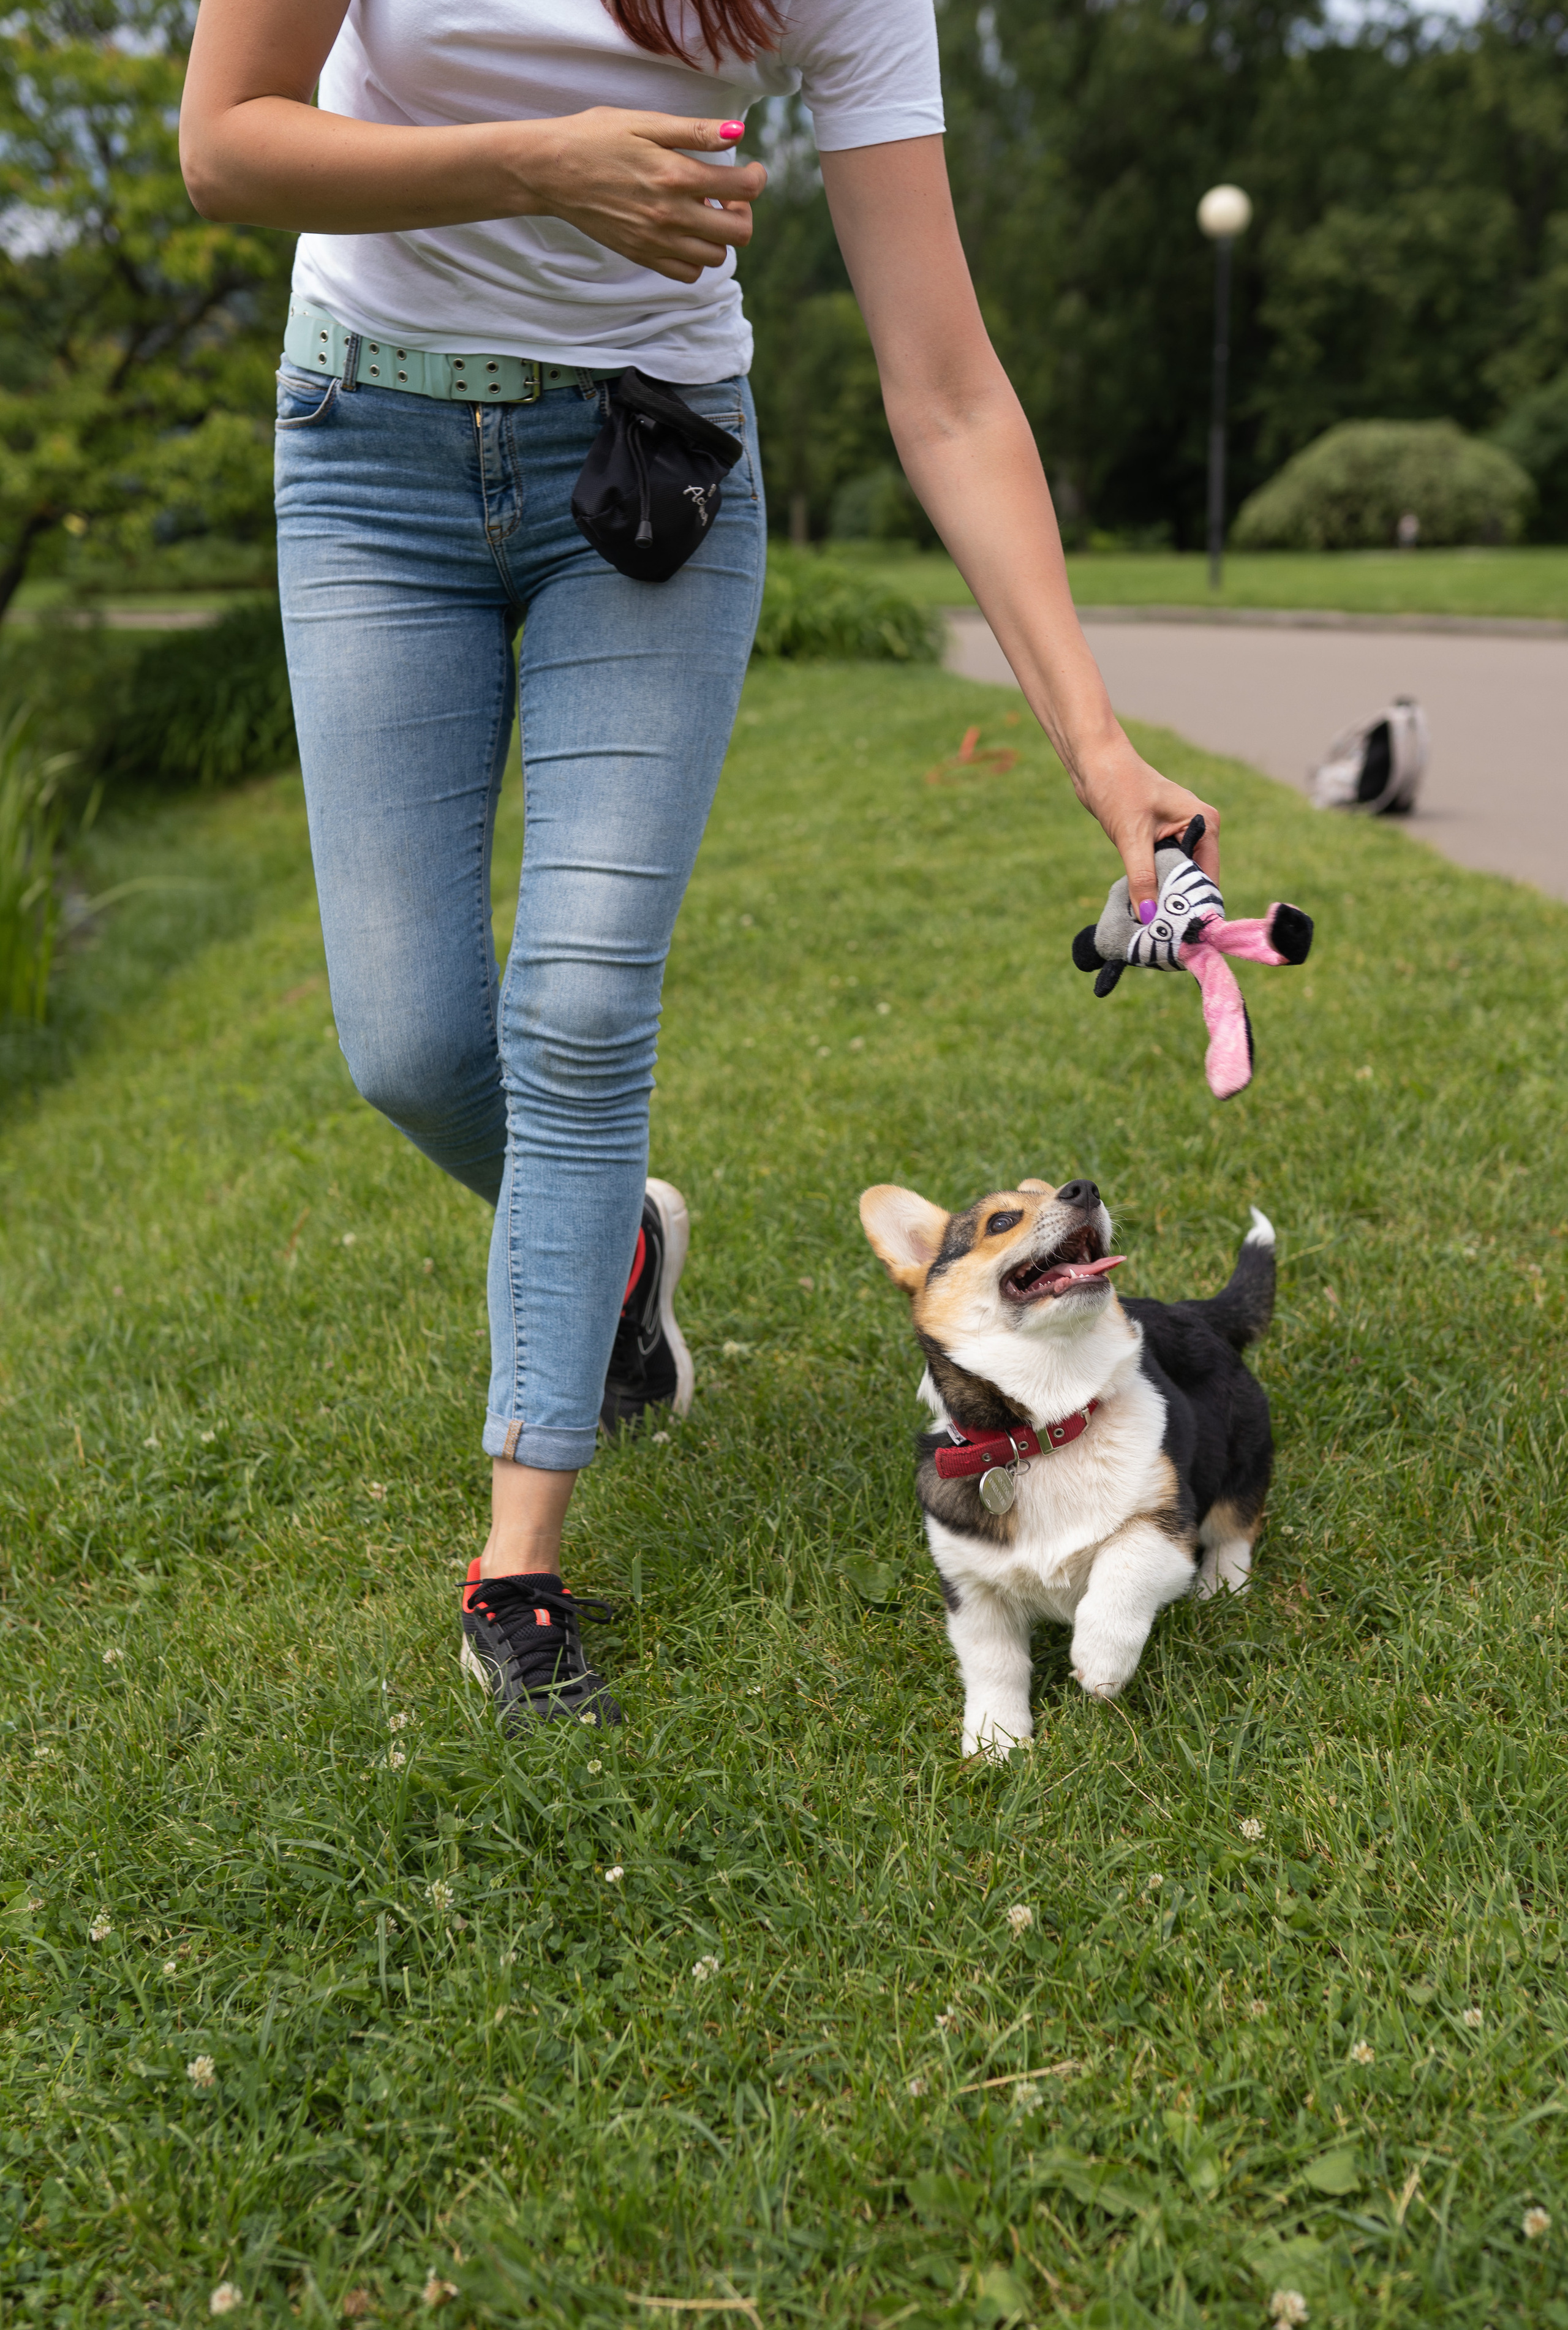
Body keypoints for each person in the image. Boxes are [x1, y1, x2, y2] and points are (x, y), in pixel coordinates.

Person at [179, 0, 1220, 1734]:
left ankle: (516, 1570)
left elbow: (948, 386)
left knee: (578, 1013)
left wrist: (1098, 747)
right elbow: (228, 141)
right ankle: (624, 1256)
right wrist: (534, 163)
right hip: (368, 450)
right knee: (415, 1048)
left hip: (647, 472)